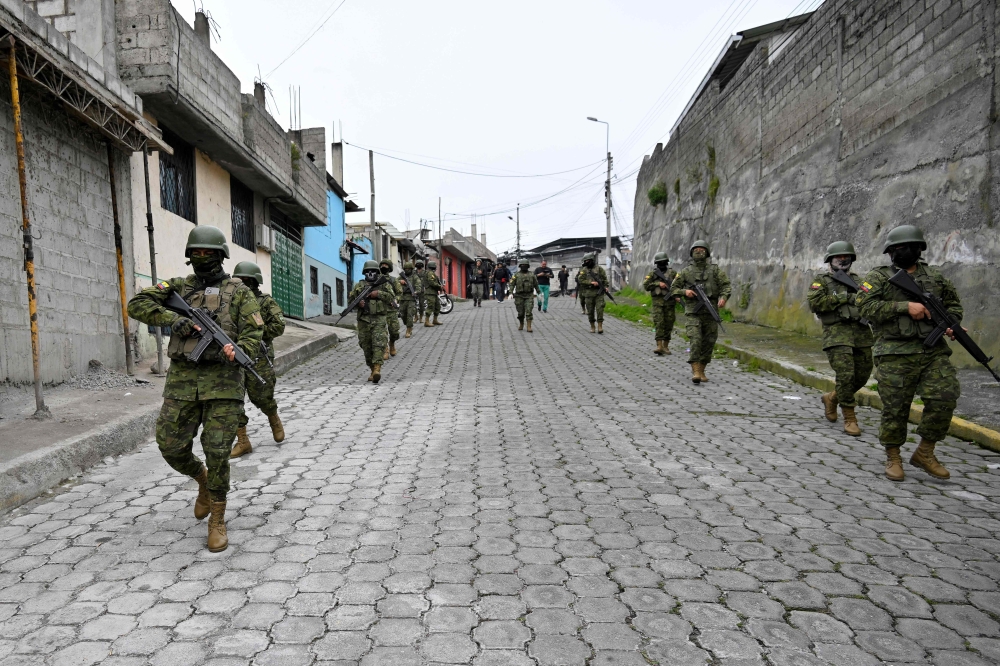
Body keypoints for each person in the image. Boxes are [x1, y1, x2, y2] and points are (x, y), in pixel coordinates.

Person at [127, 226, 263, 552]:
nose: (203, 258)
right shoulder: (177, 287)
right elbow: (137, 303)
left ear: (221, 256)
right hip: (182, 382)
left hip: (225, 385)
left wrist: (238, 348)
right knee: (170, 445)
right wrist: (171, 319)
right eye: (197, 253)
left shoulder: (240, 292)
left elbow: (253, 333)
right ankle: (200, 479)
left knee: (218, 451)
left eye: (209, 253)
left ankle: (217, 517)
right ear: (189, 256)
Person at [858, 225, 962, 482]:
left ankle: (925, 452)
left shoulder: (936, 277)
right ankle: (893, 456)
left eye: (906, 248)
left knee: (945, 397)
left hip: (932, 350)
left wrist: (951, 323)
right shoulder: (878, 277)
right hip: (894, 352)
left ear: (919, 249)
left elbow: (953, 305)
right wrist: (904, 307)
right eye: (896, 249)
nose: (901, 252)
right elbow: (864, 306)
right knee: (896, 408)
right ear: (890, 252)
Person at [807, 241, 873, 437]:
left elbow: (872, 301)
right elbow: (814, 303)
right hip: (836, 333)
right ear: (830, 260)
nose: (843, 260)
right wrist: (843, 296)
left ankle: (832, 398)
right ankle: (850, 418)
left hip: (861, 333)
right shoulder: (822, 281)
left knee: (862, 374)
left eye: (847, 257)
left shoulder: (860, 281)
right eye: (838, 257)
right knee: (845, 375)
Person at [230, 261, 286, 459]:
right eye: (240, 280)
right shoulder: (229, 300)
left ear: (255, 282)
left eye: (248, 280)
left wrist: (257, 334)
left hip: (258, 357)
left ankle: (273, 417)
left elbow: (279, 326)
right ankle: (243, 441)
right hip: (232, 355)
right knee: (232, 398)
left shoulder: (265, 302)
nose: (244, 284)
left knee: (261, 394)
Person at [671, 240, 731, 384]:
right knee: (696, 339)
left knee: (709, 342)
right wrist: (686, 292)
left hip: (710, 312)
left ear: (707, 252)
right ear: (692, 252)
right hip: (693, 312)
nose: (699, 251)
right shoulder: (686, 272)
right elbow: (673, 290)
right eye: (696, 249)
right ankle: (696, 370)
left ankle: (702, 368)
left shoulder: (715, 270)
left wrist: (723, 298)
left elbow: (726, 286)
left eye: (702, 249)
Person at [349, 260, 394, 383]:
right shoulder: (359, 286)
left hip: (379, 319)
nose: (370, 273)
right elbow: (350, 302)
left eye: (373, 271)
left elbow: (391, 297)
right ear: (364, 273)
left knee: (379, 345)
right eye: (368, 271)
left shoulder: (384, 284)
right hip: (364, 321)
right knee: (366, 346)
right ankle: (371, 368)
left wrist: (378, 293)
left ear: (377, 272)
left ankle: (377, 370)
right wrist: (359, 303)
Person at [642, 252, 678, 356]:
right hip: (657, 303)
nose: (662, 264)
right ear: (656, 263)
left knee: (669, 323)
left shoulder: (673, 273)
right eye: (659, 262)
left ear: (667, 262)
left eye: (663, 262)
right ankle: (659, 346)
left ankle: (666, 346)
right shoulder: (653, 274)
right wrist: (658, 284)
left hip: (670, 303)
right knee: (659, 323)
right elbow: (646, 285)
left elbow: (680, 284)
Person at [576, 252, 608, 333]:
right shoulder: (583, 270)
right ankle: (592, 326)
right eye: (585, 261)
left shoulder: (599, 269)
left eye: (587, 261)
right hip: (588, 293)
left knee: (600, 309)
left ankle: (600, 326)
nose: (586, 262)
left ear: (591, 260)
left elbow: (605, 279)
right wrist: (591, 282)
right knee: (590, 311)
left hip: (599, 293)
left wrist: (606, 287)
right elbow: (580, 280)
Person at [379, 258, 401, 360]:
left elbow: (399, 293)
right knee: (382, 333)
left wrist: (396, 300)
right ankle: (385, 349)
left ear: (389, 268)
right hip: (380, 310)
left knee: (394, 332)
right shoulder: (377, 279)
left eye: (386, 265)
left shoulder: (393, 280)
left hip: (391, 310)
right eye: (382, 265)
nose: (383, 266)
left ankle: (392, 343)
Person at [510, 258, 540, 332]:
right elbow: (512, 284)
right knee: (520, 312)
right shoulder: (516, 275)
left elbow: (536, 284)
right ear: (520, 266)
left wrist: (539, 293)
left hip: (529, 295)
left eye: (525, 265)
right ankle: (521, 323)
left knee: (529, 311)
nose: (524, 266)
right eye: (522, 265)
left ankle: (529, 326)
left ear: (528, 266)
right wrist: (510, 293)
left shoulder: (532, 275)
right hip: (519, 296)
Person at [397, 261, 422, 338]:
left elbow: (418, 286)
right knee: (403, 315)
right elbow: (393, 282)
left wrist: (416, 292)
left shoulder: (415, 277)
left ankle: (408, 329)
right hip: (402, 298)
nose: (407, 270)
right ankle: (408, 325)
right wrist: (399, 282)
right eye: (406, 269)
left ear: (411, 269)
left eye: (408, 269)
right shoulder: (401, 277)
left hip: (411, 299)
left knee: (409, 315)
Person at [423, 260, 444, 326]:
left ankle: (435, 320)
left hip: (433, 293)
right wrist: (439, 286)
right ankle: (426, 321)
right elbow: (431, 282)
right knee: (430, 306)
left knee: (437, 306)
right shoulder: (430, 273)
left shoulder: (431, 273)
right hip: (430, 293)